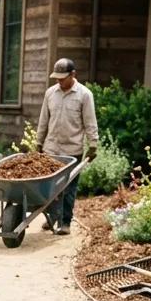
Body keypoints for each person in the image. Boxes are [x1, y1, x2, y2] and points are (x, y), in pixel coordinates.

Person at [36, 57, 98, 236]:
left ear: (73, 75)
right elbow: (43, 121)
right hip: (51, 149)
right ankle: (53, 216)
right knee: (49, 188)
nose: (59, 81)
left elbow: (90, 122)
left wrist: (93, 144)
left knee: (68, 189)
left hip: (72, 151)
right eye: (57, 78)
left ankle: (65, 223)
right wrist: (39, 143)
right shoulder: (50, 93)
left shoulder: (84, 95)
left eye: (62, 78)